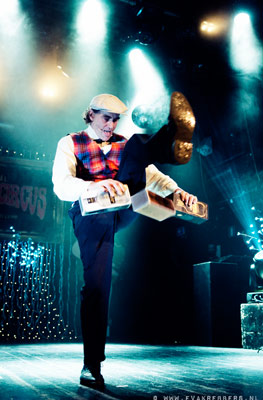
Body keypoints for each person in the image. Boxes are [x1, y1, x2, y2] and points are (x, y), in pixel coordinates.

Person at [52, 92, 197, 387]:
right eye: (107, 118)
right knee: (97, 285)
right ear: (90, 114)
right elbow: (61, 184)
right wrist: (93, 186)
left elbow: (154, 178)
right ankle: (91, 365)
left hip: (124, 205)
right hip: (91, 213)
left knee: (135, 147)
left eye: (116, 119)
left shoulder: (123, 144)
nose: (112, 124)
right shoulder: (70, 142)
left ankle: (172, 135)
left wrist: (179, 193)